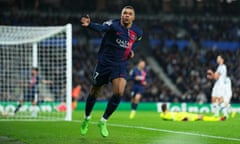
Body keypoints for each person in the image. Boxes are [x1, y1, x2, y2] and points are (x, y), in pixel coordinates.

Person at [80, 5, 143, 137]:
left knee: (119, 92)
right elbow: (102, 28)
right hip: (104, 64)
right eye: (124, 13)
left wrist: (132, 50)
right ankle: (86, 118)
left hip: (120, 65)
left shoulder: (137, 32)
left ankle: (103, 121)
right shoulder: (112, 24)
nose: (126, 15)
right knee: (94, 92)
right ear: (121, 15)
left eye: (129, 14)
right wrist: (90, 24)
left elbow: (138, 40)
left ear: (133, 17)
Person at [160, 103, 226, 121]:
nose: (168, 109)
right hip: (185, 116)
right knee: (201, 117)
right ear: (166, 109)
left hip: (184, 114)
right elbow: (175, 119)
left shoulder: (164, 114)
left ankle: (217, 118)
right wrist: (183, 119)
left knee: (201, 116)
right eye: (167, 108)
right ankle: (218, 119)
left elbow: (165, 116)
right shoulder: (166, 115)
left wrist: (176, 112)